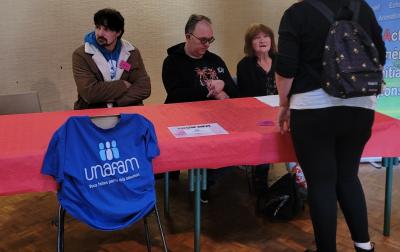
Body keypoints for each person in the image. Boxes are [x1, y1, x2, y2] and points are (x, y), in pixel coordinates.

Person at [275, 0, 385, 251]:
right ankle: (364, 246)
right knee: (348, 176)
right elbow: (381, 57)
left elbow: (286, 69)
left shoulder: (297, 13)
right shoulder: (363, 8)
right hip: (360, 106)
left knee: (321, 182)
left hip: (313, 107)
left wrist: (284, 105)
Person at [162, 14, 239, 202]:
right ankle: (201, 183)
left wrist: (223, 85)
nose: (207, 45)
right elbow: (176, 95)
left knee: (237, 144)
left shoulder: (215, 60)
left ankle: (206, 180)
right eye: (203, 40)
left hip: (217, 119)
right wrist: (211, 91)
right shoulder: (172, 62)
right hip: (184, 120)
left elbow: (235, 92)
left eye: (210, 40)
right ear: (188, 37)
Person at [73, 8, 151, 110]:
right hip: (93, 113)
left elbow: (144, 88)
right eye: (97, 27)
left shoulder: (132, 52)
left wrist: (117, 102)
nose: (100, 33)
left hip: (126, 111)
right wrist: (123, 85)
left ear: (118, 32)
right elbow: (90, 93)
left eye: (106, 29)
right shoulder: (81, 55)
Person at [236, 23, 278, 194]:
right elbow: (247, 97)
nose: (262, 40)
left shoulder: (281, 61)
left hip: (282, 111)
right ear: (250, 44)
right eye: (257, 37)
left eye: (266, 36)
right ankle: (260, 184)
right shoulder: (244, 65)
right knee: (264, 135)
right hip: (256, 115)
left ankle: (298, 181)